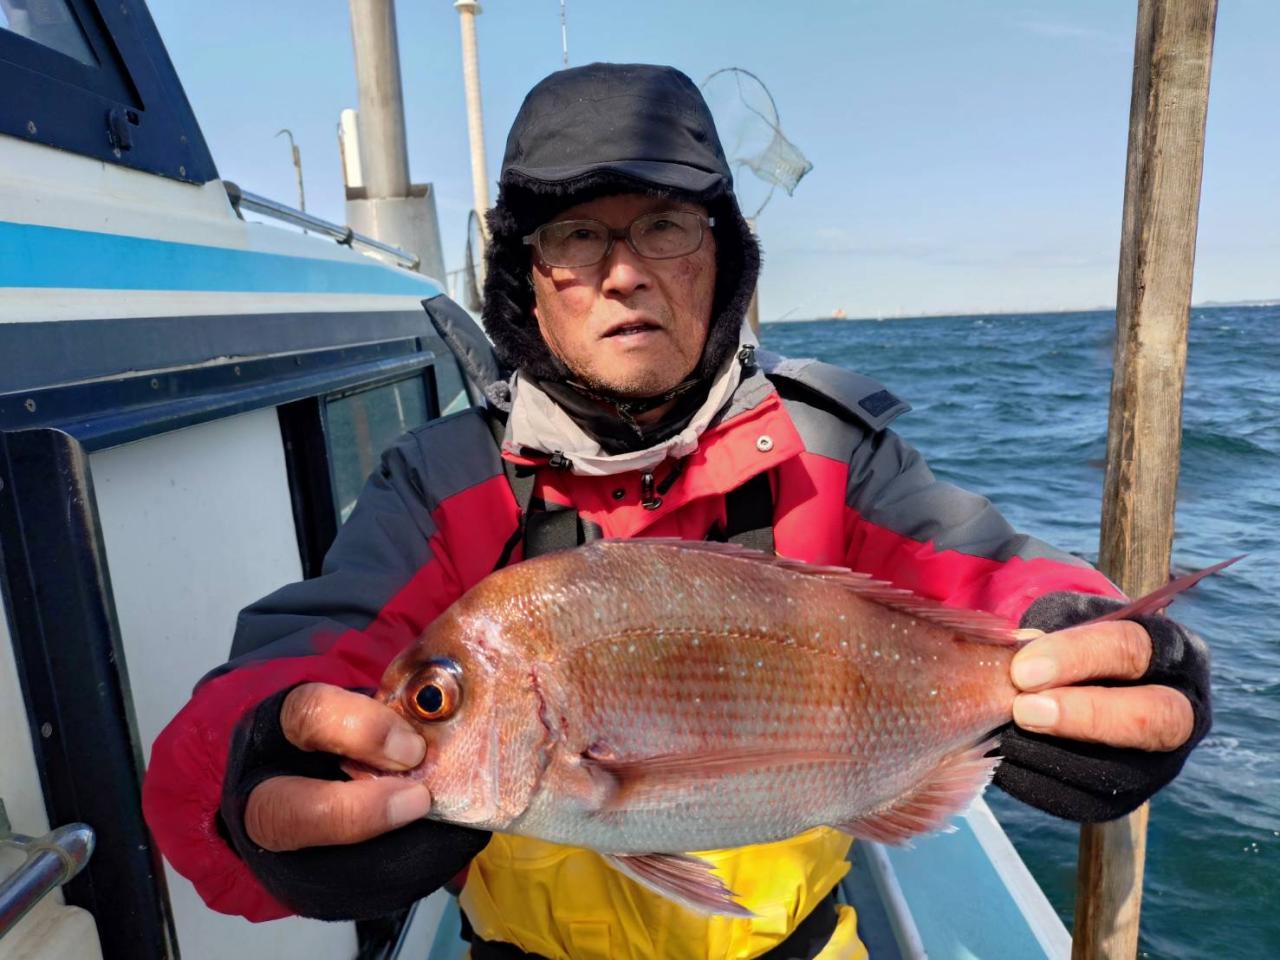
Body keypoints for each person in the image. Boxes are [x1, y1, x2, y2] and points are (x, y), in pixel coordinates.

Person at [142, 63, 1211, 959]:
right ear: (525, 281)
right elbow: (309, 658)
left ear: (721, 260)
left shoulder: (832, 454)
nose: (621, 275)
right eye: (573, 237)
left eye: (662, 226)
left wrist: (1099, 645)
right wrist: (251, 773)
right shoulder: (440, 482)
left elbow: (988, 575)